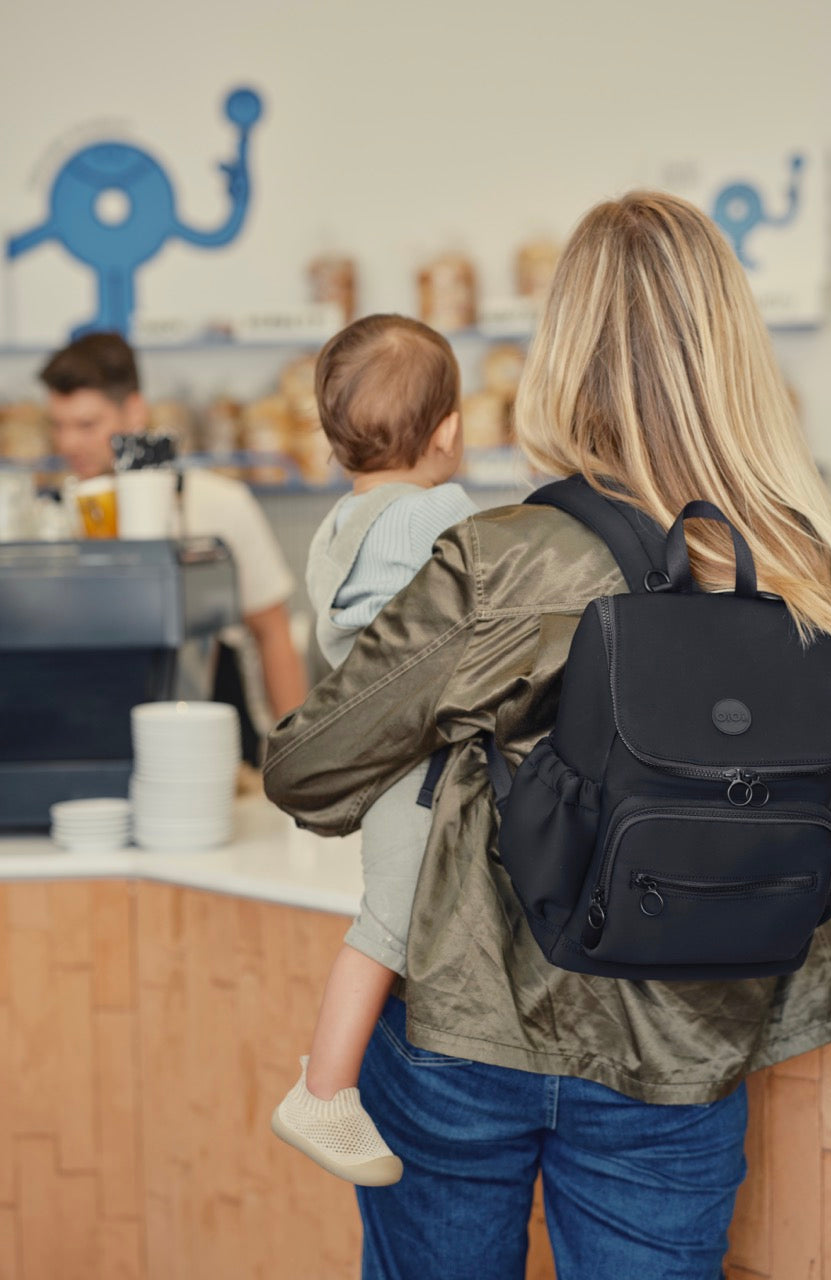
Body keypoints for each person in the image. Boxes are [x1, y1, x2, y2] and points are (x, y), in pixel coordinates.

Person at [263, 192, 831, 1280]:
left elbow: (309, 771)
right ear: (733, 349)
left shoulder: (500, 559)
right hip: (690, 1040)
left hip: (471, 1026)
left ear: (561, 355)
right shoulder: (828, 573)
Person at [270, 314, 477, 1184]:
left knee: (393, 907)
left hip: (378, 754)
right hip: (415, 767)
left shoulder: (337, 527)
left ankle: (330, 1078)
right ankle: (324, 1088)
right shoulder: (440, 513)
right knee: (389, 920)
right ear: (451, 432)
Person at [40, 332, 307, 739]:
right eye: (58, 426)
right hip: (96, 732)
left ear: (134, 412)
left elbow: (273, 634)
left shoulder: (218, 504)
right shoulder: (50, 517)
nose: (69, 443)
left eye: (87, 425)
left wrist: (298, 754)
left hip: (214, 745)